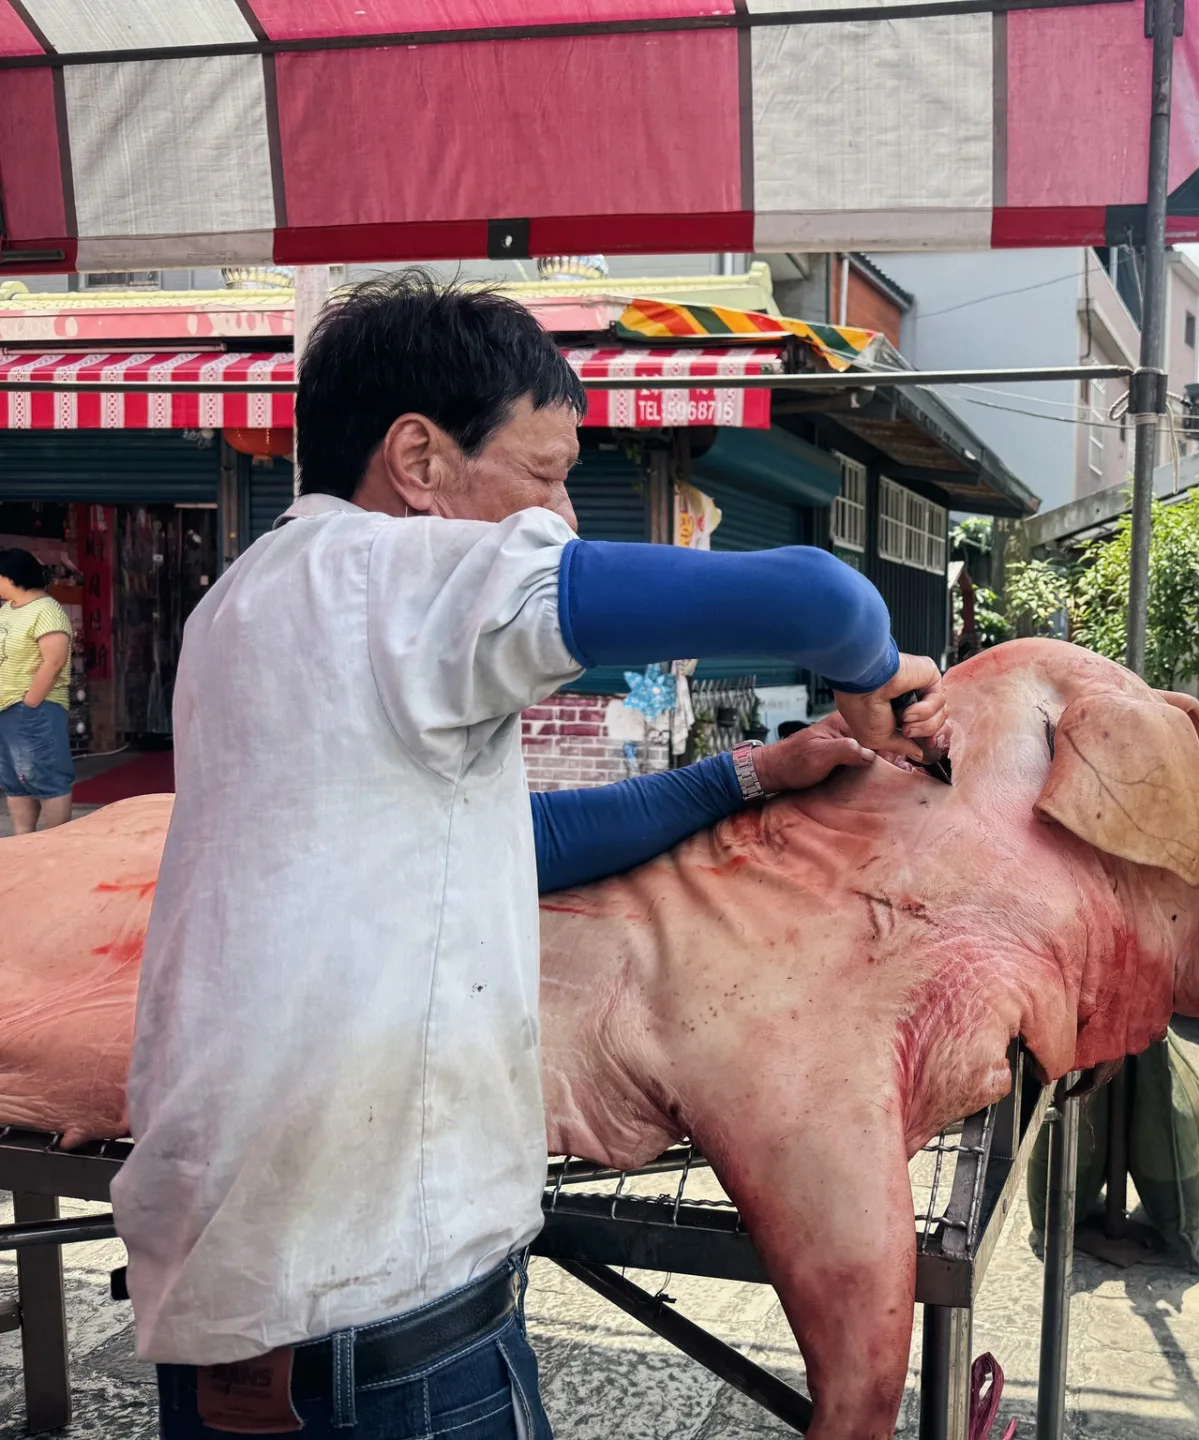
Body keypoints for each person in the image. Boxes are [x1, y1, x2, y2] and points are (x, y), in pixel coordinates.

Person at [114, 272, 948, 1440]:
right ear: (419, 460)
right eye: (547, 476)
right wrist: (872, 679)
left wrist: (754, 772)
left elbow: (520, 843)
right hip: (389, 1310)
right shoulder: (403, 572)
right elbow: (821, 597)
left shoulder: (243, 600)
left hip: (230, 1303)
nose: (560, 518)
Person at [0, 547, 75, 834]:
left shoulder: (47, 610)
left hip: (34, 706)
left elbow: (54, 660)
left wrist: (31, 702)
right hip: (6, 706)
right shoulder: (7, 610)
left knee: (46, 775)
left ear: (9, 577)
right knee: (15, 780)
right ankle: (24, 843)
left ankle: (56, 841)